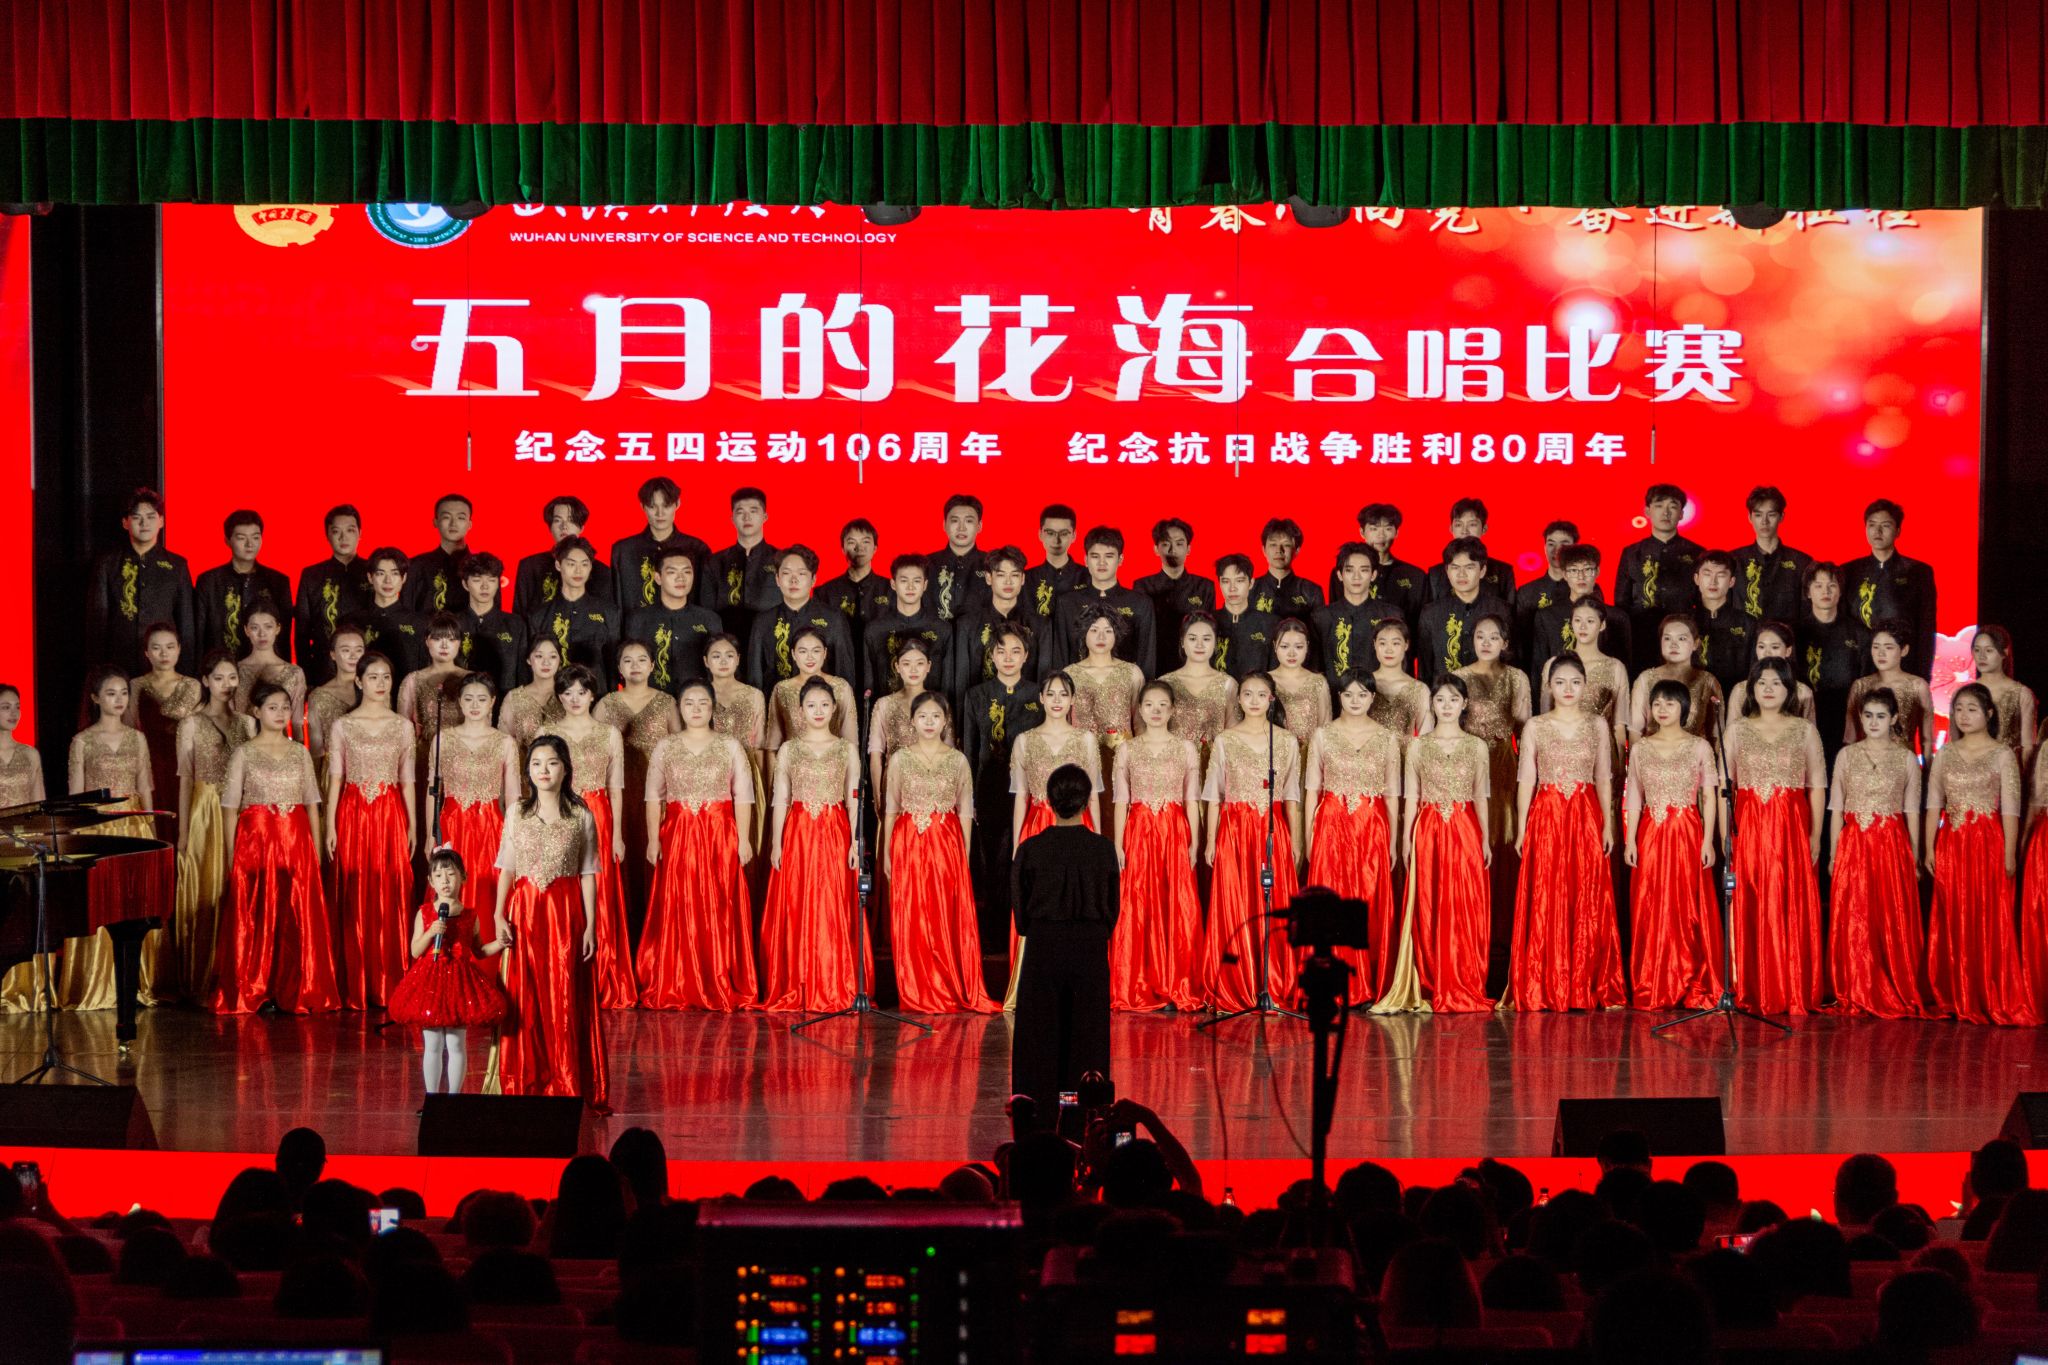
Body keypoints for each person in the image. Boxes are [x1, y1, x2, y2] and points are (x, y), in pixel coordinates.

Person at [207, 682, 339, 1014]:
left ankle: (295, 988)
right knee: (256, 912)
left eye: (285, 707)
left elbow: (311, 804)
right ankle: (255, 986)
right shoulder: (244, 753)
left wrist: (316, 848)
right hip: (256, 842)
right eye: (272, 707)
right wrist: (230, 855)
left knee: (294, 915)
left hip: (295, 840)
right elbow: (229, 809)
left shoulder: (300, 752)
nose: (280, 713)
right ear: (256, 711)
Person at [493, 734, 607, 1110]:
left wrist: (590, 925)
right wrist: (498, 913)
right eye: (536, 763)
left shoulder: (581, 815)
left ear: (565, 769)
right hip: (525, 911)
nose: (544, 770)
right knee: (524, 995)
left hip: (565, 912)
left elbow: (588, 873)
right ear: (528, 771)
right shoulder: (517, 813)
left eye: (552, 763)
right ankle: (527, 1075)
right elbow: (507, 867)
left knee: (564, 991)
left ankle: (566, 1077)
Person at [1506, 656, 1624, 1011]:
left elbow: (1603, 777)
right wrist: (1522, 828)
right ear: (1549, 687)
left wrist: (1608, 823)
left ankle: (1583, 982)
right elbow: (1526, 780)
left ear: (1585, 685)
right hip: (1547, 815)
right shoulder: (1536, 726)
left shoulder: (1597, 725)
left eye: (1575, 682)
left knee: (1585, 891)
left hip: (1585, 814)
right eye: (1560, 682)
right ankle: (1544, 984)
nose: (1568, 689)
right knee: (1547, 891)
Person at [1373, 676, 1493, 1014]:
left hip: (1465, 828)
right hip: (1427, 828)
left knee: (1465, 903)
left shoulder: (1477, 746)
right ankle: (1431, 978)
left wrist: (1485, 837)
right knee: (1429, 902)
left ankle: (1465, 978)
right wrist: (1406, 840)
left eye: (1454, 700)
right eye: (1440, 700)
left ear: (1464, 704)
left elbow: (1481, 797)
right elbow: (1411, 797)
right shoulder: (1418, 746)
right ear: (1432, 705)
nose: (1447, 706)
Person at [638, 680, 757, 1011]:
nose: (696, 709)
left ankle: (718, 977)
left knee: (719, 903)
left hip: (719, 834)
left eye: (703, 702)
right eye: (689, 702)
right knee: (679, 902)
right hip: (678, 834)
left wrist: (744, 839)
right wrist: (652, 839)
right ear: (680, 707)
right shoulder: (666, 746)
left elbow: (743, 797)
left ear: (712, 707)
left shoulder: (730, 746)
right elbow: (653, 797)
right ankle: (678, 980)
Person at [1924, 683, 2039, 1026]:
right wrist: (1929, 846)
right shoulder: (1946, 753)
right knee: (1952, 914)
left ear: (1989, 714)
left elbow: (2011, 809)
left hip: (1988, 842)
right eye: (1958, 709)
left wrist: (2009, 854)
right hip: (1952, 841)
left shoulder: (2002, 754)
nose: (1963, 716)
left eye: (1971, 709)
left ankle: (1989, 992)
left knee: (1988, 915)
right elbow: (1934, 804)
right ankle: (1955, 992)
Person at [1013, 762, 1121, 1113]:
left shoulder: (1030, 849)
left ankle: (1038, 1110)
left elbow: (1020, 913)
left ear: (1048, 801)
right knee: (1087, 1033)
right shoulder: (1103, 850)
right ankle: (1086, 1111)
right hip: (1089, 947)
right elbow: (1112, 908)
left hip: (1043, 946)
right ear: (1087, 802)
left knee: (1040, 1034)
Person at [884, 692, 999, 1013]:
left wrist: (964, 852)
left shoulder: (957, 760)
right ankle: (916, 988)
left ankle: (946, 982)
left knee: (943, 912)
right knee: (912, 914)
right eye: (923, 716)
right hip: (908, 841)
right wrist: (886, 853)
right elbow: (891, 809)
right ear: (912, 721)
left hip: (946, 842)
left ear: (946, 721)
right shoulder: (900, 759)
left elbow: (965, 812)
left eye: (936, 716)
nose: (929, 722)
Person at [1725, 658, 1827, 1017]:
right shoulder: (1737, 730)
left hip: (1790, 825)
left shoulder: (1805, 730)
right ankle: (1752, 986)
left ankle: (1791, 986)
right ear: (1751, 689)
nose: (1768, 689)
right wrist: (1726, 834)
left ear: (1789, 689)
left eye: (1777, 683)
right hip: (1750, 823)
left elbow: (1817, 785)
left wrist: (1816, 834)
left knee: (1789, 900)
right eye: (1761, 682)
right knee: (1752, 897)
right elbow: (1727, 786)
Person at [758, 678, 864, 1012]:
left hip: (835, 829)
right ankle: (798, 982)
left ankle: (834, 982)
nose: (818, 711)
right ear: (801, 710)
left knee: (832, 903)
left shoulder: (847, 749)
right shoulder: (789, 749)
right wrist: (776, 843)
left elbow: (853, 799)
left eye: (824, 705)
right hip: (799, 831)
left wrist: (856, 842)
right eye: (811, 705)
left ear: (834, 709)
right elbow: (781, 799)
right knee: (797, 902)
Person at [537, 665, 637, 1009]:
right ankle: (562, 976)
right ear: (559, 697)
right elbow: (539, 782)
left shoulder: (609, 734)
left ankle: (603, 978)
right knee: (561, 891)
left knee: (600, 892)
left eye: (581, 692)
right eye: (567, 693)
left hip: (599, 815)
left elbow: (616, 787)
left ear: (593, 695)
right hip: (559, 813)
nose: (575, 699)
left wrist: (618, 833)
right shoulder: (547, 732)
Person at [1203, 672, 1303, 1012]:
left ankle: (1273, 983)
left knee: (1272, 904)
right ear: (1239, 699)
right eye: (1248, 694)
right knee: (1236, 903)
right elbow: (1214, 795)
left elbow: (1292, 796)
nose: (1255, 700)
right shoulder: (1225, 740)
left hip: (1272, 829)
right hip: (1234, 829)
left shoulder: (1285, 741)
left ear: (1272, 698)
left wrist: (1296, 840)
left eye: (1262, 694)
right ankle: (1237, 984)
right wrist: (1210, 840)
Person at [1303, 671, 1404, 1005]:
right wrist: (1309, 837)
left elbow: (1392, 794)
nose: (1355, 701)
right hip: (1331, 825)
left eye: (1362, 694)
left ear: (1373, 697)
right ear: (1339, 697)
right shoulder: (1322, 735)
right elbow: (1312, 791)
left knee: (1368, 900)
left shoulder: (1387, 738)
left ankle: (1366, 983)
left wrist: (1392, 840)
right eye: (1348, 694)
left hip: (1371, 826)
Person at [1828, 687, 1927, 1019]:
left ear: (1894, 718)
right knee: (1856, 916)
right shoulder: (1847, 756)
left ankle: (1890, 984)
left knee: (1888, 915)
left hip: (1891, 845)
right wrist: (1833, 854)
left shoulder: (1906, 758)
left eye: (1881, 716)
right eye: (1868, 715)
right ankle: (1856, 986)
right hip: (1854, 843)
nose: (1873, 722)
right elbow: (1836, 809)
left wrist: (1915, 855)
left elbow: (1912, 811)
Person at [325, 653, 418, 1011]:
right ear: (359, 681)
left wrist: (413, 825)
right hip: (352, 812)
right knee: (354, 889)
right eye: (373, 677)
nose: (381, 683)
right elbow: (336, 779)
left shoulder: (402, 726)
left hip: (390, 812)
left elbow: (407, 780)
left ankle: (389, 981)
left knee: (391, 888)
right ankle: (354, 982)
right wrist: (329, 825)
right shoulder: (343, 726)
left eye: (386, 676)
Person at [1624, 680, 1723, 1011]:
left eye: (1669, 703)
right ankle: (1653, 979)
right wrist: (1630, 839)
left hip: (1687, 831)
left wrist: (1708, 840)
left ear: (1684, 708)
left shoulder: (1699, 747)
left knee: (1687, 904)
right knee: (1650, 903)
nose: (1662, 709)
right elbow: (1634, 796)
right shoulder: (1641, 748)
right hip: (1651, 831)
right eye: (1657, 704)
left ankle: (1690, 976)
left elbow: (1709, 796)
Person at [1007, 671, 1105, 1005]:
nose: (1057, 701)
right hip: (1037, 823)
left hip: (1079, 824)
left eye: (1064, 694)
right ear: (1041, 699)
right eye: (1051, 694)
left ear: (1073, 699)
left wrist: (1098, 839)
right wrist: (1018, 843)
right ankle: (1031, 986)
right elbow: (1021, 795)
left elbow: (1093, 795)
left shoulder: (1085, 740)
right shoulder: (1025, 740)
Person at [1109, 682, 1204, 1011]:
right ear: (1140, 709)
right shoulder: (1127, 750)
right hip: (1138, 831)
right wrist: (1118, 843)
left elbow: (1192, 799)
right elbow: (1121, 802)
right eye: (1149, 704)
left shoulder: (1186, 748)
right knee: (1138, 902)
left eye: (1163, 704)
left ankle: (1176, 980)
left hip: (1174, 831)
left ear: (1173, 709)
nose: (1156, 710)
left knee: (1175, 901)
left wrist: (1195, 841)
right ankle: (1138, 982)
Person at [387, 849, 509, 1098]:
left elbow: (479, 951)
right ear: (431, 881)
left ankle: (454, 1098)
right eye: (438, 875)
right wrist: (431, 933)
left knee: (455, 1043)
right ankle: (432, 1098)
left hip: (460, 984)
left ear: (463, 877)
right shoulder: (425, 913)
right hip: (430, 982)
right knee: (432, 1043)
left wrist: (501, 943)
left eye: (451, 874)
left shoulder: (469, 916)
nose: (445, 880)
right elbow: (415, 951)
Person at [173, 651, 255, 1001]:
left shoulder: (248, 723)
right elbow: (185, 780)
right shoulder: (191, 724)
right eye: (219, 678)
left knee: (240, 890)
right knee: (207, 887)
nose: (226, 684)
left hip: (242, 812)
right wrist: (183, 832)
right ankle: (203, 977)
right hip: (205, 812)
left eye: (232, 677)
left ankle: (241, 976)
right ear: (205, 681)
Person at [961, 624, 1043, 943]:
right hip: (988, 785)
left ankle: (1024, 930)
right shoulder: (976, 695)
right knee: (990, 857)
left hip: (1028, 787)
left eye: (1015, 651)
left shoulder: (1038, 694)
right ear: (992, 656)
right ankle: (993, 933)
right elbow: (969, 750)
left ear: (1026, 656)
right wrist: (969, 797)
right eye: (1001, 651)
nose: (1008, 658)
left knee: (1024, 853)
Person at [596, 640, 682, 926]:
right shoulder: (606, 704)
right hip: (618, 792)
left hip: (657, 793)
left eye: (642, 659)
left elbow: (679, 748)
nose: (635, 666)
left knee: (655, 852)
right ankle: (623, 927)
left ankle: (656, 926)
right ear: (619, 667)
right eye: (628, 660)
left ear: (652, 666)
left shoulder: (667, 702)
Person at [427, 673, 520, 914]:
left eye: (481, 699)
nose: (474, 705)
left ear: (492, 701)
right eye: (468, 699)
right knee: (449, 884)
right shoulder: (442, 739)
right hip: (451, 825)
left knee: (488, 890)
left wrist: (514, 836)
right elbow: (433, 793)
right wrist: (430, 835)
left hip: (490, 827)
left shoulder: (505, 742)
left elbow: (513, 797)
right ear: (459, 701)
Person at [88, 486, 194, 671]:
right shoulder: (108, 564)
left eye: (151, 517)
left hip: (163, 667)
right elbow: (98, 621)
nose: (144, 523)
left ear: (161, 521)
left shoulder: (177, 565)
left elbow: (186, 624)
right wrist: (98, 668)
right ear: (125, 522)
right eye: (137, 517)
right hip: (119, 665)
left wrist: (186, 671)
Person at [1450, 613, 1529, 854]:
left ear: (1504, 643)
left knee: (1503, 816)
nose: (1486, 643)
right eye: (1480, 637)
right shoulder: (1459, 677)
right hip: (1467, 761)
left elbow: (1524, 730)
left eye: (1493, 638)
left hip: (1504, 761)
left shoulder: (1517, 677)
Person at [1842, 498, 1936, 679]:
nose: (1877, 531)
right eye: (1872, 525)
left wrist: (1923, 675)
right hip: (1860, 665)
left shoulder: (1918, 572)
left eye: (1885, 525)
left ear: (1898, 530)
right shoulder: (1849, 571)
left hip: (1903, 665)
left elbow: (1926, 628)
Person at [1046, 527, 1157, 677]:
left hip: (1126, 686)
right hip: (1077, 686)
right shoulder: (1067, 603)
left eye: (1109, 556)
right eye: (1095, 556)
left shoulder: (1140, 603)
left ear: (1120, 559)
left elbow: (1147, 660)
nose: (1102, 563)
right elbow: (1060, 657)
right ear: (1086, 560)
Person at [1614, 484, 1702, 673]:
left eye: (1673, 506)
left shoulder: (1697, 553)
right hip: (1640, 639)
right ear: (1647, 511)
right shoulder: (1632, 553)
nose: (1666, 512)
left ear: (1681, 514)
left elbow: (1702, 602)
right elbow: (1621, 602)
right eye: (1659, 505)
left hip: (1682, 641)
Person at [704, 633, 769, 869]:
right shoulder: (699, 695)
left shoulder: (754, 695)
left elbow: (759, 745)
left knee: (749, 837)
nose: (723, 661)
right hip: (710, 774)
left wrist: (764, 783)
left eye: (729, 655)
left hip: (748, 773)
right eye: (716, 656)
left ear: (738, 659)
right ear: (705, 661)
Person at [129, 622, 200, 835]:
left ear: (179, 649)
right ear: (146, 652)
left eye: (170, 647)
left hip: (185, 764)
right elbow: (130, 728)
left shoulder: (193, 685)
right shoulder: (135, 685)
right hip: (149, 765)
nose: (164, 654)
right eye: (156, 648)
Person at [1797, 560, 1870, 764]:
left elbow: (1865, 684)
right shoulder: (1795, 633)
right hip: (1805, 717)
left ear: (1840, 591)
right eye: (1818, 585)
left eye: (1832, 585)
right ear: (1808, 592)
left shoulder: (1860, 634)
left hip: (1846, 719)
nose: (1825, 591)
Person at [624, 544, 720, 696]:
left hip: (696, 703)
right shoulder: (638, 619)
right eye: (672, 572)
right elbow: (627, 666)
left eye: (687, 572)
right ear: (658, 578)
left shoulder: (709, 619)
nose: (680, 578)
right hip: (650, 702)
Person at [527, 536, 620, 691]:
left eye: (584, 564)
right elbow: (532, 667)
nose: (578, 570)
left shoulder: (608, 612)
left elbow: (612, 664)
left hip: (596, 696)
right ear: (558, 565)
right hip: (553, 696)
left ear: (591, 567)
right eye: (571, 564)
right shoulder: (539, 615)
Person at [949, 545, 1035, 710]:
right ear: (989, 578)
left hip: (1026, 712)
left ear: (1023, 579)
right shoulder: (967, 625)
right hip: (980, 712)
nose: (1008, 581)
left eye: (1015, 575)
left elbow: (1043, 678)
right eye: (1001, 575)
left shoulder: (1039, 625)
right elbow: (961, 680)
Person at [1529, 544, 1631, 679]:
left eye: (1587, 569)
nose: (1581, 576)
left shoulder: (1617, 617)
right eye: (1573, 570)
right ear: (1565, 574)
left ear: (1597, 571)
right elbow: (1538, 669)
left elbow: (1626, 668)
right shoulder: (1547, 617)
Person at [870, 637, 952, 805]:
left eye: (920, 663)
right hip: (895, 784)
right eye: (906, 664)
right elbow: (876, 753)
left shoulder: (940, 704)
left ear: (929, 666)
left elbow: (949, 751)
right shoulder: (884, 704)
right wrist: (877, 793)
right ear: (897, 667)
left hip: (932, 783)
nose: (913, 670)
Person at [1067, 603, 1146, 775]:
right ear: (1084, 633)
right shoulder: (1069, 675)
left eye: (1108, 631)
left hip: (1122, 762)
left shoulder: (1132, 673)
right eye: (1094, 630)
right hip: (1080, 760)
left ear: (1116, 634)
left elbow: (1140, 724)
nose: (1101, 637)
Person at [611, 476, 710, 613]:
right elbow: (616, 604)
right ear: (642, 507)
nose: (660, 513)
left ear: (677, 504)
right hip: (636, 625)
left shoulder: (697, 549)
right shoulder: (623, 551)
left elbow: (705, 601)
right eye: (652, 507)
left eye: (666, 505)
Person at [295, 504, 370, 685]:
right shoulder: (312, 575)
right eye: (336, 531)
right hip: (323, 671)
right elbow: (301, 633)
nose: (343, 537)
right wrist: (307, 679)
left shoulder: (374, 572)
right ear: (327, 535)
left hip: (367, 670)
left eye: (350, 530)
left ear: (360, 533)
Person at [1159, 613, 1240, 777]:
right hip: (1172, 769)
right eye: (1192, 638)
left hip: (1214, 770)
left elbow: (1233, 736)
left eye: (1207, 639)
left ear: (1215, 643)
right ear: (1182, 642)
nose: (1200, 645)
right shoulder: (1165, 683)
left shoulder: (1228, 684)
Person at [1134, 517, 1215, 678]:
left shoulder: (1204, 586)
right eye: (1166, 544)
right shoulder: (1143, 586)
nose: (1173, 550)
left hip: (1193, 668)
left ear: (1188, 548)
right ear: (1156, 549)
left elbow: (1210, 633)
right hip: (1154, 667)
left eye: (1179, 543)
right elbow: (1140, 635)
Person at [1417, 537, 1510, 676]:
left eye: (1469, 567)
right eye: (1455, 567)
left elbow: (1511, 663)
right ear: (1447, 571)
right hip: (1445, 689)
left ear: (1482, 571)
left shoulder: (1502, 610)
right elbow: (1424, 669)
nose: (1461, 574)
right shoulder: (1431, 613)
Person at [1844, 619, 1935, 758]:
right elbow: (1850, 737)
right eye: (1876, 647)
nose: (1881, 653)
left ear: (1904, 650)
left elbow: (1927, 739)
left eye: (1889, 647)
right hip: (1866, 763)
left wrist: (1927, 769)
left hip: (1904, 764)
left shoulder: (1917, 686)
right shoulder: (1860, 686)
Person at [1315, 542, 1401, 688]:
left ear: (1373, 575)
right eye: (1349, 570)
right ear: (1340, 575)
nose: (1356, 577)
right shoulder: (1321, 618)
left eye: (1364, 570)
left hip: (1381, 695)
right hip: (1333, 697)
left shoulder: (1391, 615)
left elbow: (1401, 668)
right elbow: (1314, 671)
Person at [863, 554, 950, 696]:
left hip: (930, 707)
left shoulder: (941, 629)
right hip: (886, 707)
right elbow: (868, 683)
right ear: (893, 584)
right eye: (904, 581)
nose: (910, 587)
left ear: (925, 585)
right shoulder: (875, 630)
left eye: (916, 581)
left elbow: (947, 683)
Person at [700, 486, 779, 641]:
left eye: (753, 511)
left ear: (765, 516)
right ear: (732, 518)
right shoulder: (714, 562)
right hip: (724, 644)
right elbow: (706, 612)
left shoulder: (781, 560)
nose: (746, 518)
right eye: (740, 512)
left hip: (770, 642)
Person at [1627, 616, 1721, 743]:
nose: (1673, 645)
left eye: (1682, 638)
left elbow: (1717, 734)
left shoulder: (1708, 682)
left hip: (1695, 753)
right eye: (1667, 638)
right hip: (1652, 752)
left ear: (1695, 644)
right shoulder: (1645, 679)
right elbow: (1635, 731)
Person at [515, 495, 615, 611]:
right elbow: (519, 617)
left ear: (582, 528)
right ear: (550, 527)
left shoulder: (601, 572)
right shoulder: (530, 567)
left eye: (571, 520)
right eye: (557, 520)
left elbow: (608, 615)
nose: (564, 526)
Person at [1730, 486, 1813, 625]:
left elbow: (1807, 612)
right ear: (1750, 517)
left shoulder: (1801, 562)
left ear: (1781, 517)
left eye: (1771, 515)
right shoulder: (1734, 560)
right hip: (1744, 637)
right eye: (1758, 515)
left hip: (1787, 636)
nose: (1764, 521)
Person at [392, 614, 463, 772]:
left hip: (463, 761)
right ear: (426, 641)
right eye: (437, 639)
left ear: (459, 643)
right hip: (423, 761)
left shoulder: (471, 680)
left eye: (451, 639)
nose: (444, 645)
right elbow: (402, 731)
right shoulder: (413, 680)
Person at [452, 552, 524, 696]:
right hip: (459, 700)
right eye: (477, 580)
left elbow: (523, 673)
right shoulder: (453, 623)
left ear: (498, 583)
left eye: (491, 580)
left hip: (505, 701)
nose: (485, 586)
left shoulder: (515, 624)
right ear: (465, 584)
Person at [1346, 502, 1426, 629]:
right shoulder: (1346, 572)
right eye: (1374, 529)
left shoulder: (1415, 575)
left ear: (1396, 532)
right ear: (1362, 532)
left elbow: (1423, 623)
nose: (1381, 535)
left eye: (1388, 529)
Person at [1969, 625, 2038, 772]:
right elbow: (1954, 741)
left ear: (2004, 652)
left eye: (1989, 650)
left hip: (2007, 773)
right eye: (1977, 650)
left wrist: (2020, 779)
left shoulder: (2021, 693)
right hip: (1970, 772)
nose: (1981, 656)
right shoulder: (1965, 693)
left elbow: (2028, 746)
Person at [1423, 498, 1517, 605]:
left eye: (1472, 524)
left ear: (1484, 529)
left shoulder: (1503, 572)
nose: (1464, 531)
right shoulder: (1435, 574)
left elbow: (1510, 612)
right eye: (1458, 525)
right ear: (1451, 529)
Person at [1724, 620, 1815, 728]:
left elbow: (1810, 733)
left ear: (1788, 651)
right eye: (1761, 647)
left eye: (1775, 647)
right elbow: (1730, 733)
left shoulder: (1803, 692)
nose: (1767, 653)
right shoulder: (1741, 690)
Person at [1269, 618, 1333, 770]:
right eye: (1284, 646)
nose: (1291, 653)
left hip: (1310, 761)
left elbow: (1325, 726)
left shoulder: (1318, 681)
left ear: (1307, 647)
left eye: (1298, 646)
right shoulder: (1265, 681)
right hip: (1274, 759)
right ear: (1275, 646)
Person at [1512, 520, 1578, 665]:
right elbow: (1520, 641)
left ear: (1575, 547)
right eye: (1551, 544)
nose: (1557, 550)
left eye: (1564, 544)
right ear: (1544, 547)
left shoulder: (1584, 589)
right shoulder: (1527, 592)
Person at [1690, 551, 1753, 699]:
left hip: (1735, 699)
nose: (1713, 582)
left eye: (1721, 575)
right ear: (1697, 579)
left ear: (1731, 582)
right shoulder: (1684, 622)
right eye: (1707, 574)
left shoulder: (1748, 623)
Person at [306, 624, 366, 779]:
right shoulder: (318, 696)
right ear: (333, 654)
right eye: (346, 650)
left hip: (369, 771)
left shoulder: (376, 689)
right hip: (334, 774)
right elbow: (316, 750)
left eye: (359, 650)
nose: (353, 656)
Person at [399, 493, 473, 615]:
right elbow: (405, 614)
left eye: (461, 518)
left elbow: (493, 617)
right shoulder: (416, 566)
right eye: (446, 517)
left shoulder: (482, 567)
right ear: (435, 522)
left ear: (470, 524)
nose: (453, 524)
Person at [360, 547, 427, 680]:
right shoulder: (353, 622)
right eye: (380, 573)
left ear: (404, 578)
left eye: (395, 573)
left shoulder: (420, 623)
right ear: (370, 577)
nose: (388, 580)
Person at [818, 517, 894, 626]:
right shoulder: (825, 593)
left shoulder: (892, 590)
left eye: (865, 541)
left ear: (875, 548)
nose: (859, 548)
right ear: (843, 549)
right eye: (852, 542)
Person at [927, 493, 991, 622]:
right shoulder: (925, 565)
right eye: (955, 521)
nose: (961, 528)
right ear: (944, 525)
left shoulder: (993, 565)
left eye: (969, 521)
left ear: (979, 526)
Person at [1212, 554, 1277, 679]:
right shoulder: (1207, 622)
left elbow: (1276, 673)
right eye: (1226, 581)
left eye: (1240, 581)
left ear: (1251, 583)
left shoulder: (1270, 624)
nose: (1232, 588)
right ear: (1219, 583)